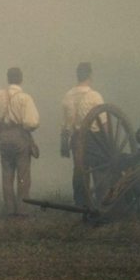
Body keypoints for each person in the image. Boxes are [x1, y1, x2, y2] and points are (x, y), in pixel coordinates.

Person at [0, 67, 40, 217]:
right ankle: (22, 210)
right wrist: (24, 127)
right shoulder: (25, 98)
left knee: (7, 175)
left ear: (8, 79)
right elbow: (32, 122)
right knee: (23, 175)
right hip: (20, 136)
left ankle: (9, 210)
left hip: (4, 137)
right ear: (21, 79)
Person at [60, 62, 108, 207]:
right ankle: (102, 202)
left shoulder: (67, 96)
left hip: (76, 138)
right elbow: (104, 122)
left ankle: (82, 203)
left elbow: (65, 124)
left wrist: (64, 142)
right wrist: (108, 143)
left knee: (80, 170)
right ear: (90, 75)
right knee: (99, 170)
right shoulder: (95, 96)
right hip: (94, 139)